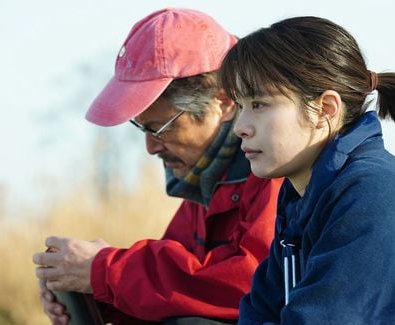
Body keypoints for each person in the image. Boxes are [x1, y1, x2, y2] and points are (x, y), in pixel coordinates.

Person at [218, 16, 395, 324]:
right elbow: (260, 311)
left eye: (259, 104)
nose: (240, 128)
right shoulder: (304, 194)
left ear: (325, 109)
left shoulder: (378, 196)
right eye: (240, 106)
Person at [32, 8, 283, 325]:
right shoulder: (206, 178)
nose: (150, 147)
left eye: (160, 128)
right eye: (142, 130)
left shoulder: (274, 170)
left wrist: (104, 271)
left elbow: (252, 283)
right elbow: (183, 289)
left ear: (223, 102)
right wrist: (91, 292)